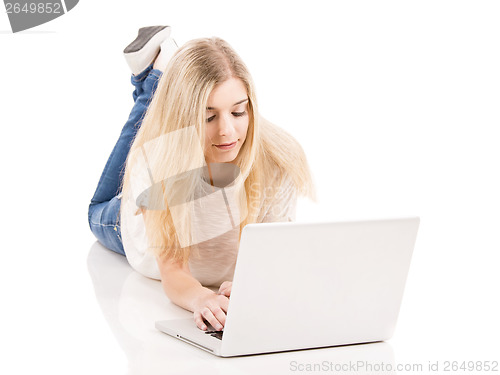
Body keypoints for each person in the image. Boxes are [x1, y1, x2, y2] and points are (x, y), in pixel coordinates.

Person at [88, 26, 315, 332]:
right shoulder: (156, 161)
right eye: (208, 117)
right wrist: (201, 298)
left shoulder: (279, 158)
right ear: (185, 117)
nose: (227, 132)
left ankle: (165, 77)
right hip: (133, 227)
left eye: (238, 112)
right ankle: (148, 85)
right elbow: (173, 271)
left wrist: (257, 283)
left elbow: (272, 255)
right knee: (97, 210)